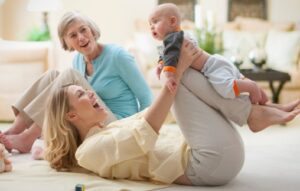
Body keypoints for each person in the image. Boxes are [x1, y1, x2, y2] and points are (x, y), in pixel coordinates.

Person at [43, 40, 300, 186]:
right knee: (179, 68)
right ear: (71, 117)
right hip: (208, 165)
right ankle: (253, 111)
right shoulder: (87, 152)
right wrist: (174, 72)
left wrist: (170, 71)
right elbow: (148, 128)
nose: (91, 94)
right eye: (81, 95)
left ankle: (252, 108)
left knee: (178, 64)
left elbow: (154, 113)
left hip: (213, 154)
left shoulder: (108, 127)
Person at [0, 11, 152, 154]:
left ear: (92, 30)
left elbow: (146, 97)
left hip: (118, 125)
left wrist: (141, 131)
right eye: (73, 35)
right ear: (67, 42)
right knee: (52, 75)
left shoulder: (117, 56)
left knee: (69, 76)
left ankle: (28, 138)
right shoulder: (78, 60)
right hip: (92, 120)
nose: (81, 37)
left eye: (83, 30)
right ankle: (13, 130)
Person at [148, 3, 268, 105]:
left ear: (172, 21)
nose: (152, 27)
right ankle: (261, 94)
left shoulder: (173, 38)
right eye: (150, 24)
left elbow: (170, 56)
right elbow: (168, 53)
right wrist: (160, 63)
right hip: (216, 62)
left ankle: (251, 87)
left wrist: (169, 77)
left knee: (226, 89)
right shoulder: (178, 37)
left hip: (212, 67)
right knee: (236, 78)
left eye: (155, 22)